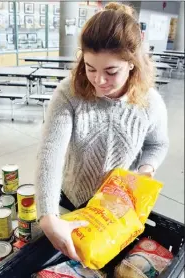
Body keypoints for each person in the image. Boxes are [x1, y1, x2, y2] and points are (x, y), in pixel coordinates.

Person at [35, 2, 169, 261]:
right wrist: (48, 216)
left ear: (131, 64)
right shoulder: (69, 93)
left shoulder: (149, 102)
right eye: (90, 67)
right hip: (70, 201)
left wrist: (145, 170)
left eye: (111, 71)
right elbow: (50, 152)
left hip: (115, 211)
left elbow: (157, 144)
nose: (98, 80)